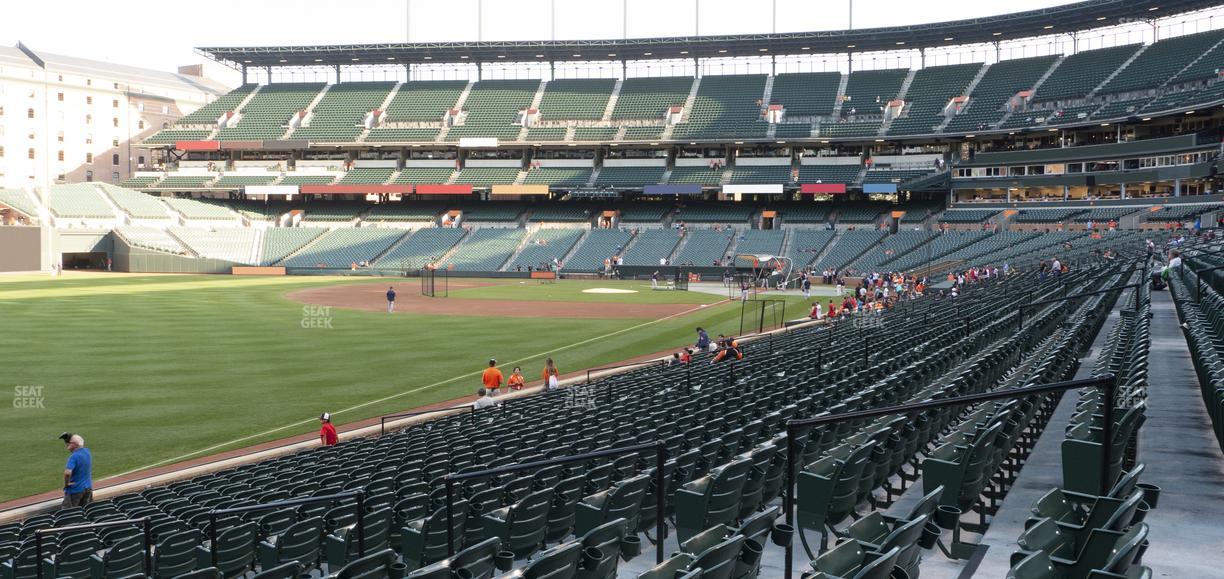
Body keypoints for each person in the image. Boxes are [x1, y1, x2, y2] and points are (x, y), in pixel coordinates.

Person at [60, 433, 92, 509]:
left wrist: (67, 483)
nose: (67, 444)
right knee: (86, 510)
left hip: (75, 490)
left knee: (68, 512)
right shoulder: (87, 452)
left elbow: (67, 473)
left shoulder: (74, 457)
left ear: (74, 444)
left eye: (69, 443)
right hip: (87, 488)